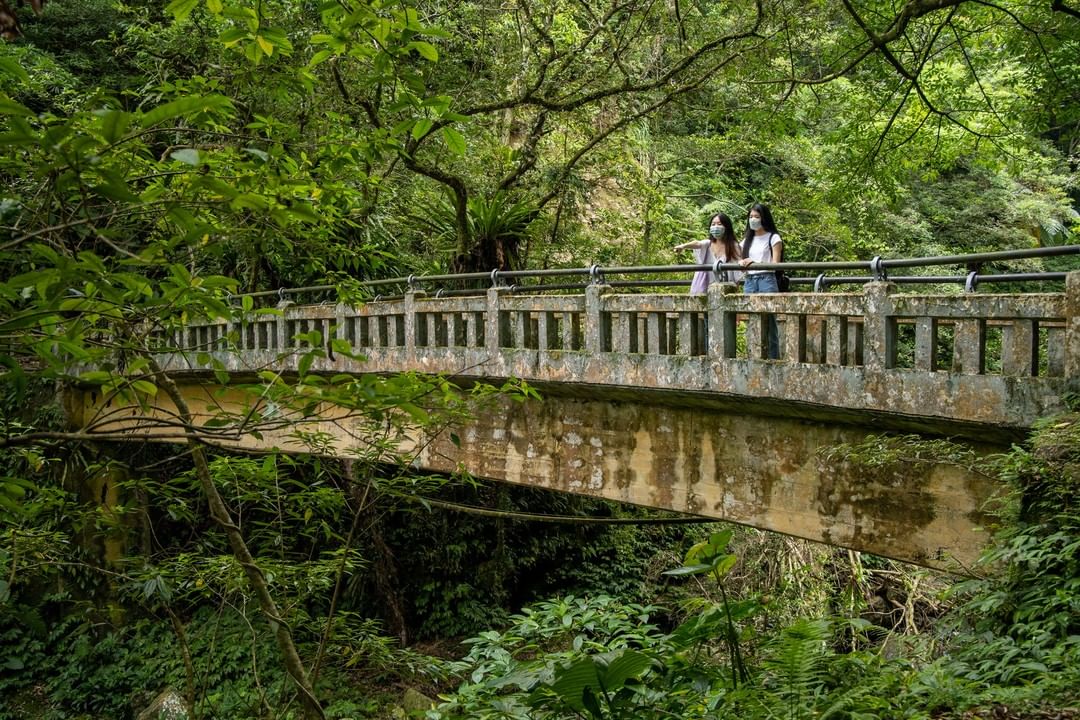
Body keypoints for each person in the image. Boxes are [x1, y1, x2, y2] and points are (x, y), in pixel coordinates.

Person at [738, 203, 782, 359]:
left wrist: (753, 262)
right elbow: (740, 263)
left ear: (764, 218)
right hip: (749, 280)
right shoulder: (746, 241)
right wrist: (742, 264)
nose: (753, 220)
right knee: (752, 319)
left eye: (756, 217)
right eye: (750, 217)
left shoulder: (773, 237)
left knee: (769, 321)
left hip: (766, 279)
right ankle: (754, 357)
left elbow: (776, 264)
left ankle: (773, 358)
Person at [674, 213, 741, 295]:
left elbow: (736, 271)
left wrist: (736, 290)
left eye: (719, 224)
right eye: (713, 224)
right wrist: (683, 246)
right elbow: (697, 243)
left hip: (725, 287)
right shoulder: (708, 244)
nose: (716, 227)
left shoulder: (733, 246)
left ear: (727, 227)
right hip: (705, 285)